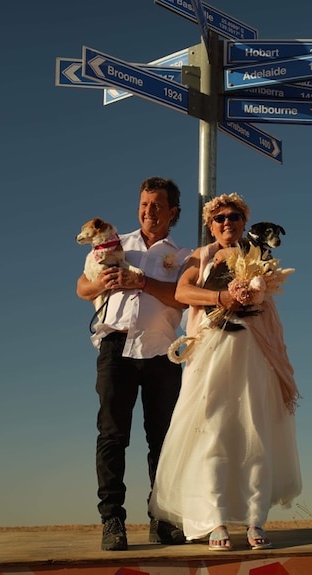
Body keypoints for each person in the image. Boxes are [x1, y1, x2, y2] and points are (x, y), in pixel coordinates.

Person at [149, 193, 302, 551]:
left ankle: (254, 518)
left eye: (234, 216)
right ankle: (214, 518)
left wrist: (253, 293)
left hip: (252, 352)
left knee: (253, 428)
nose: (227, 223)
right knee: (212, 430)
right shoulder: (200, 257)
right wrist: (221, 299)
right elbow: (184, 290)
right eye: (219, 218)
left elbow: (269, 295)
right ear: (210, 225)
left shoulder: (259, 255)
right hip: (211, 352)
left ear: (244, 221)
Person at [76, 176, 191, 551]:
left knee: (163, 441)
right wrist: (103, 284)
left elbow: (182, 298)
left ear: (172, 212)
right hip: (116, 347)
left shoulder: (183, 255)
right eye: (144, 204)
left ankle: (162, 519)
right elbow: (81, 287)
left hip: (162, 351)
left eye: (157, 205)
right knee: (112, 436)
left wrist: (140, 282)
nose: (148, 211)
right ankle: (112, 522)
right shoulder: (114, 244)